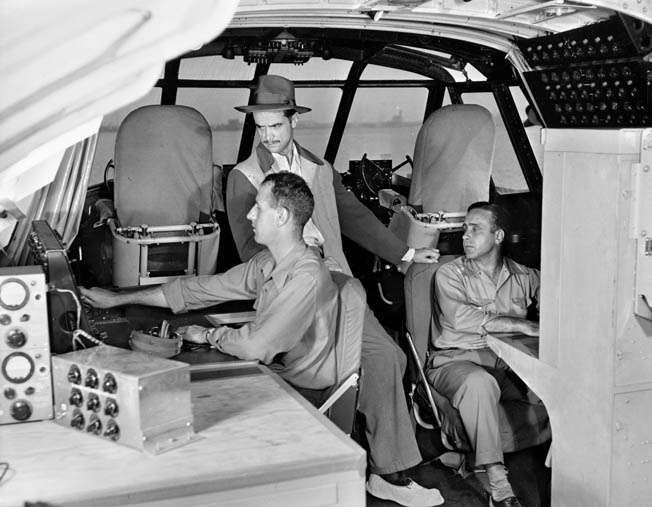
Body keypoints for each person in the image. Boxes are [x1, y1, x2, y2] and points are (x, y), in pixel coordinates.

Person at [226, 75, 444, 507]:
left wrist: (403, 254)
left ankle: (383, 472)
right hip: (289, 291)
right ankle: (343, 471)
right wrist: (295, 250)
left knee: (388, 358)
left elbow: (354, 216)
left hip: (338, 286)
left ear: (293, 121)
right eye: (261, 128)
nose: (269, 136)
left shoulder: (319, 169)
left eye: (276, 126)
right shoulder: (245, 177)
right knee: (347, 367)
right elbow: (249, 249)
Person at [81, 173, 341, 403]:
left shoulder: (306, 277)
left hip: (298, 390)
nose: (250, 214)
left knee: (174, 398)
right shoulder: (268, 261)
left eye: (259, 208)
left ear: (282, 217)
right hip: (274, 374)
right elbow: (201, 290)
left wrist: (207, 336)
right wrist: (118, 299)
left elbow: (254, 346)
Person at [426, 201, 547, 507]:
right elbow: (461, 320)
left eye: (475, 229)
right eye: (464, 228)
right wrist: (524, 324)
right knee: (480, 385)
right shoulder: (449, 274)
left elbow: (559, 293)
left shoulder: (524, 276)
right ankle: (499, 486)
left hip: (505, 363)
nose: (465, 235)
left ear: (498, 236)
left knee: (551, 389)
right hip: (454, 360)